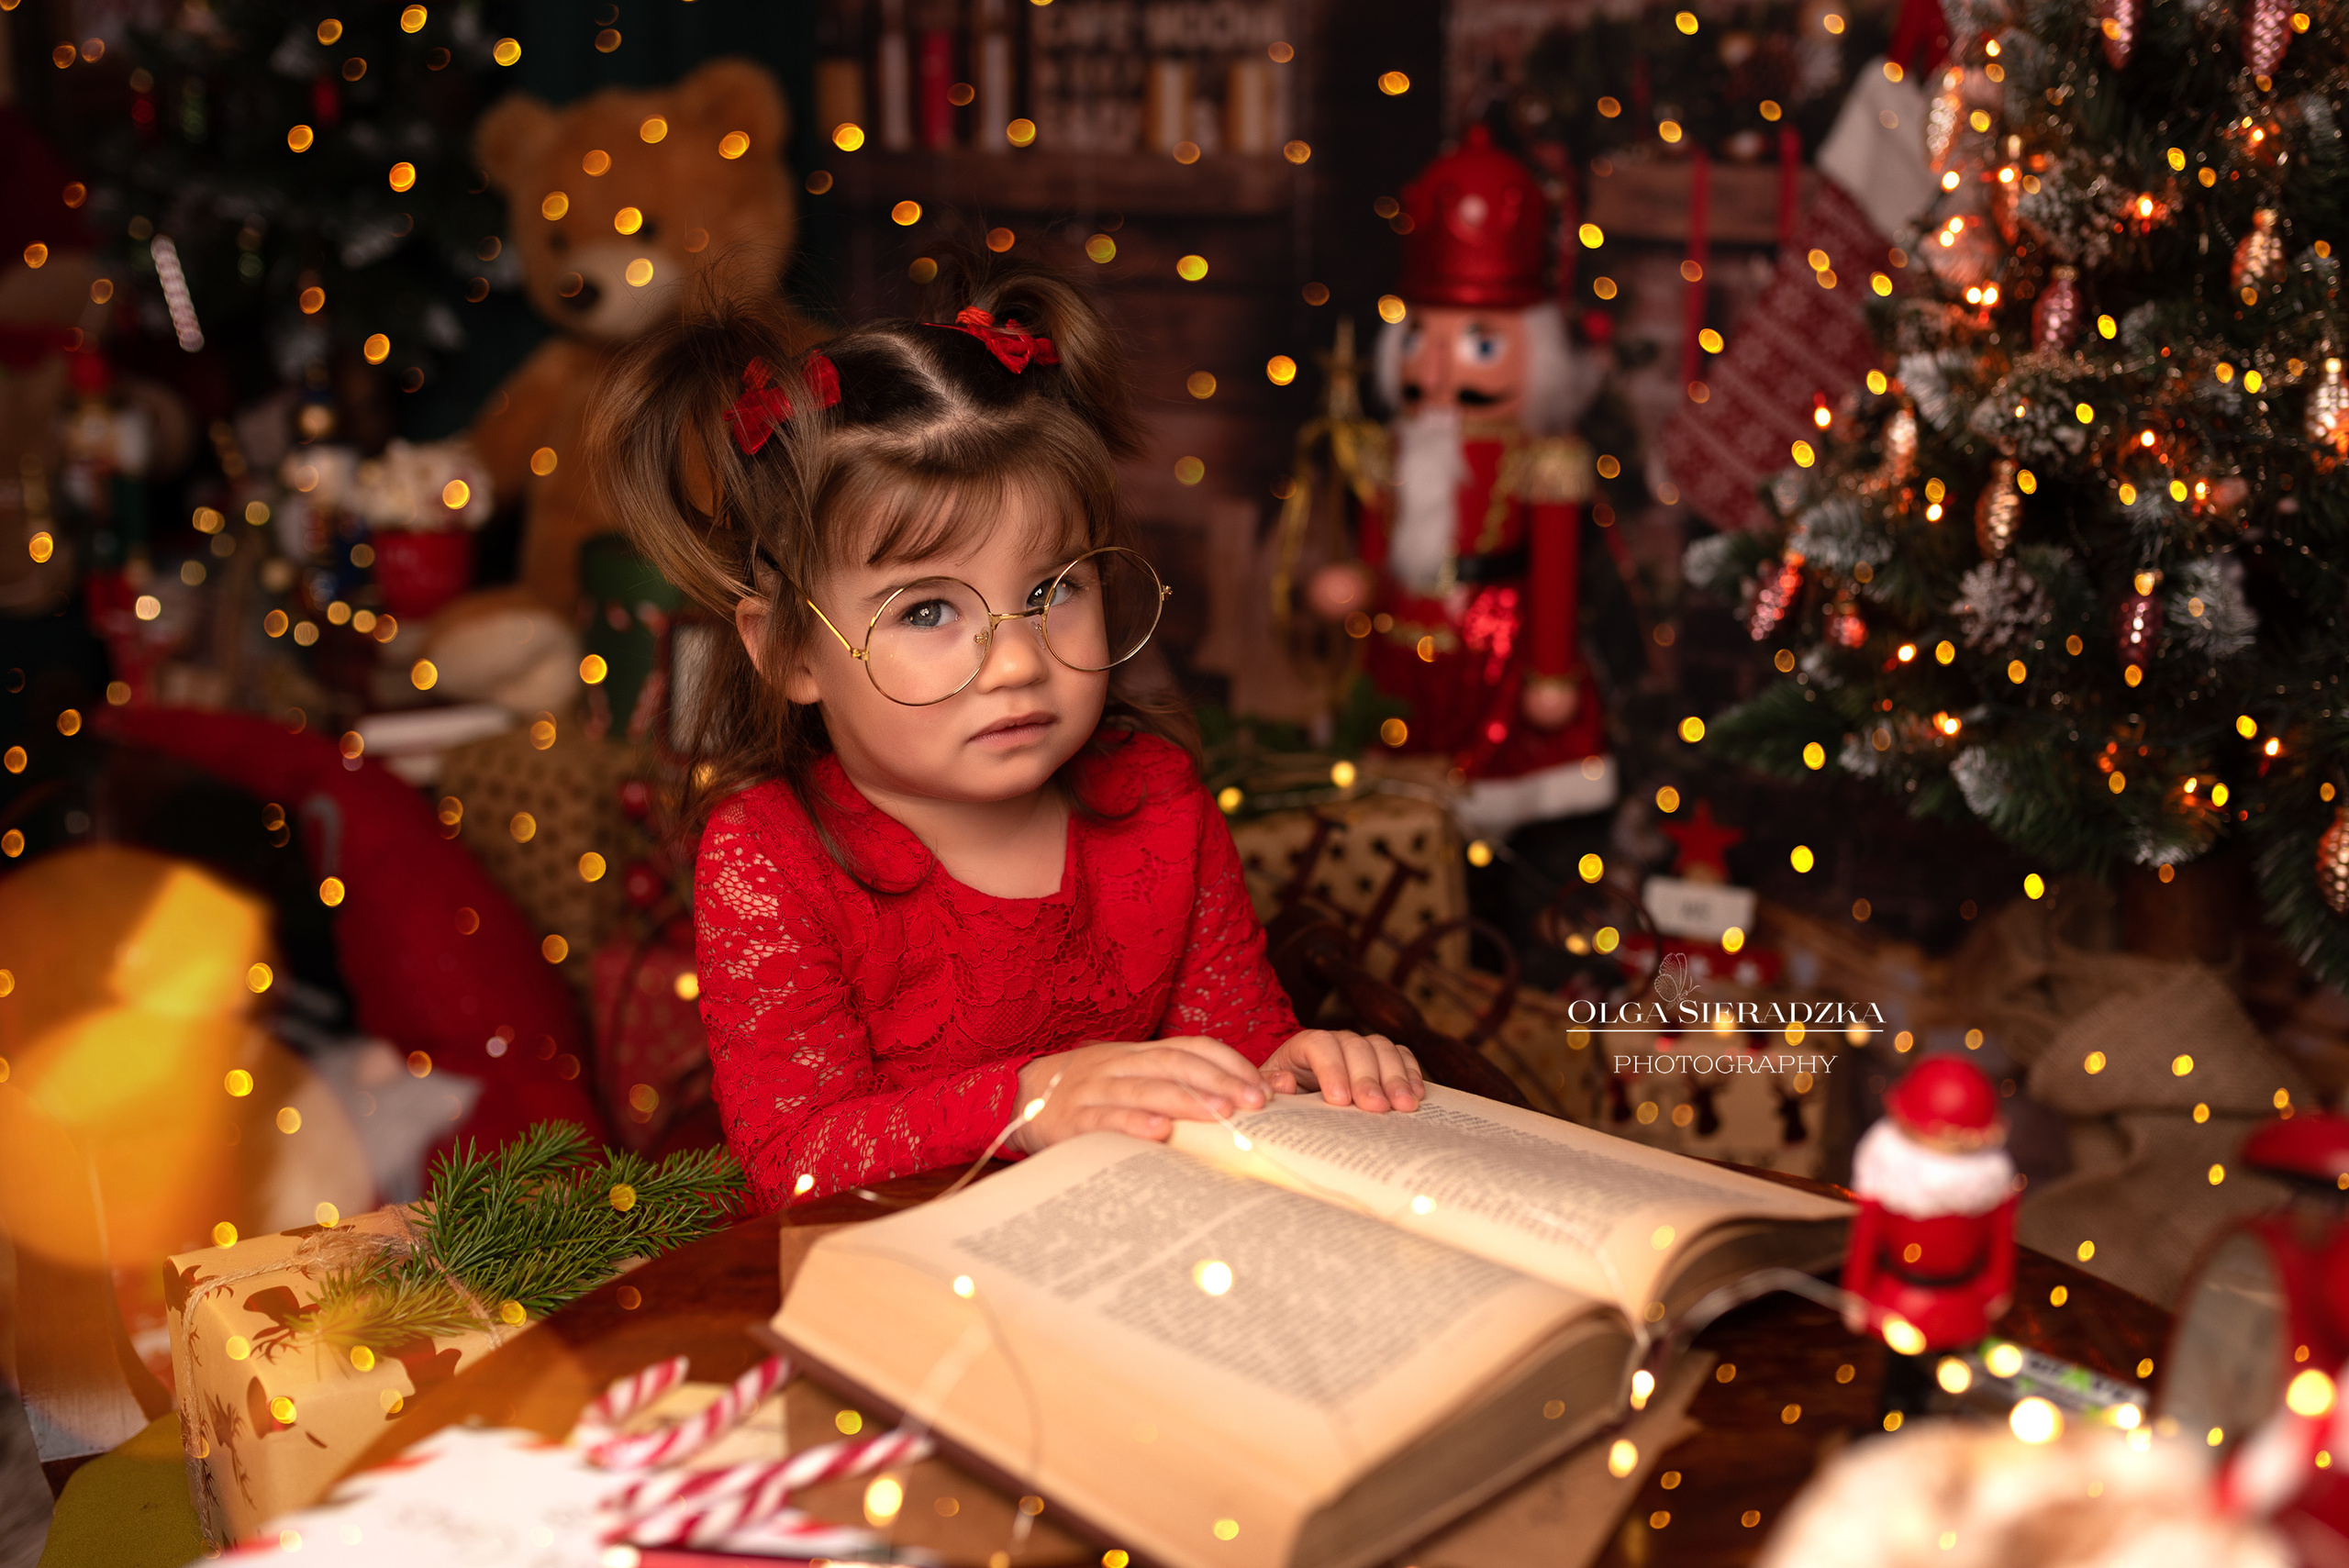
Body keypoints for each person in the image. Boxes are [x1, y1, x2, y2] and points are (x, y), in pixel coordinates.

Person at [590, 261, 1423, 1208]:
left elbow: (1223, 1060)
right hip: (896, 1285)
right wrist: (1031, 1100)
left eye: (1052, 590)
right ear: (791, 654)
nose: (1019, 660)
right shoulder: (769, 857)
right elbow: (795, 1155)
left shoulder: (1157, 800)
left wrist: (1295, 1068)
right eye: (927, 612)